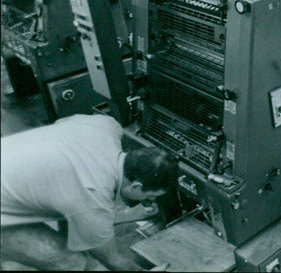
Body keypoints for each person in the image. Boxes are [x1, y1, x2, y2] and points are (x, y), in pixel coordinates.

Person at [1, 114, 177, 270]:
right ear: (136, 187)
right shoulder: (93, 196)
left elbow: (62, 123)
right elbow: (114, 261)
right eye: (151, 196)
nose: (151, 200)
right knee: (73, 263)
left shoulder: (106, 125)